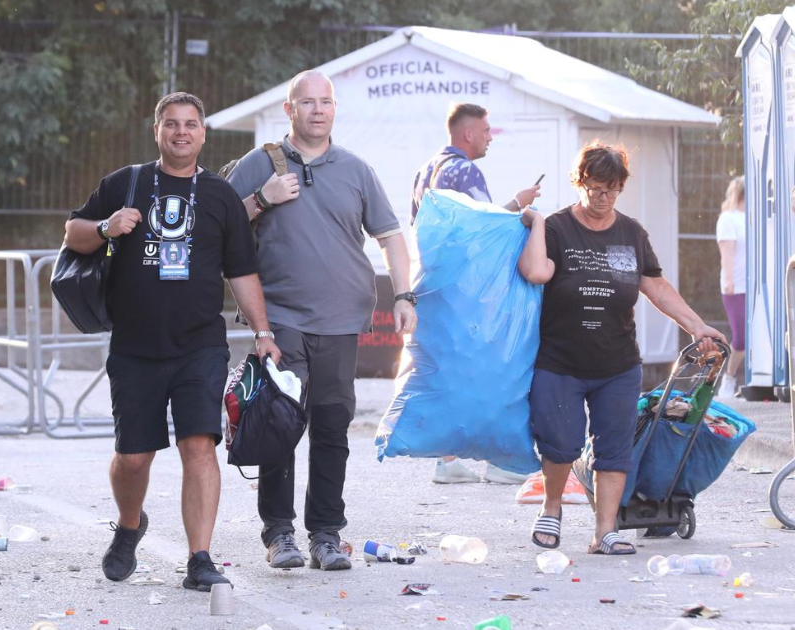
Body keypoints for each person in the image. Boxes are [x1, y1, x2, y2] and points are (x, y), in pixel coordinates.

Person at [64, 92, 280, 592]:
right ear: (157, 131)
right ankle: (129, 524)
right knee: (134, 456)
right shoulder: (126, 183)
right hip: (135, 344)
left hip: (200, 344)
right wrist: (105, 225)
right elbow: (73, 232)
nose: (181, 132)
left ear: (203, 134)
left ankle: (200, 558)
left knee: (198, 446)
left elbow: (242, 271)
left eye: (190, 124)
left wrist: (263, 333)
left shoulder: (222, 196)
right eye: (171, 124)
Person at [225, 71, 417, 572]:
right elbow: (217, 227)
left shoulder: (355, 169)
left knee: (332, 427)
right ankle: (279, 534)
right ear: (289, 110)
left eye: (325, 102)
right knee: (280, 422)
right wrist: (262, 198)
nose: (317, 110)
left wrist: (403, 294)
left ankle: (326, 535)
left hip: (341, 323)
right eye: (306, 103)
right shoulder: (258, 164)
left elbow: (392, 235)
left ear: (335, 109)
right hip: (281, 319)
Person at [518, 141, 725, 555]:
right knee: (560, 442)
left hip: (617, 362)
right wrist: (536, 223)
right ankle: (552, 505)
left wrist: (696, 325)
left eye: (612, 190)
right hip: (560, 360)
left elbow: (656, 287)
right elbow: (534, 271)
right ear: (580, 183)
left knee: (614, 447)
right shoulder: (558, 228)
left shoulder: (631, 233)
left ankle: (605, 531)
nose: (604, 198)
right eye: (596, 188)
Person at [410, 102, 541, 485]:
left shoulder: (424, 170)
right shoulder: (464, 170)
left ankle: (447, 458)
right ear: (467, 133)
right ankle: (501, 459)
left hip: (434, 282)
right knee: (490, 368)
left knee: (450, 371)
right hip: (467, 287)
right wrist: (520, 204)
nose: (490, 138)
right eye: (486, 131)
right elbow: (485, 229)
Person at [716, 176, 746, 398]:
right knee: (741, 338)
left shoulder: (753, 217)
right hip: (735, 286)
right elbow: (727, 252)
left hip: (753, 286)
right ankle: (729, 379)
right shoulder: (728, 219)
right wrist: (728, 280)